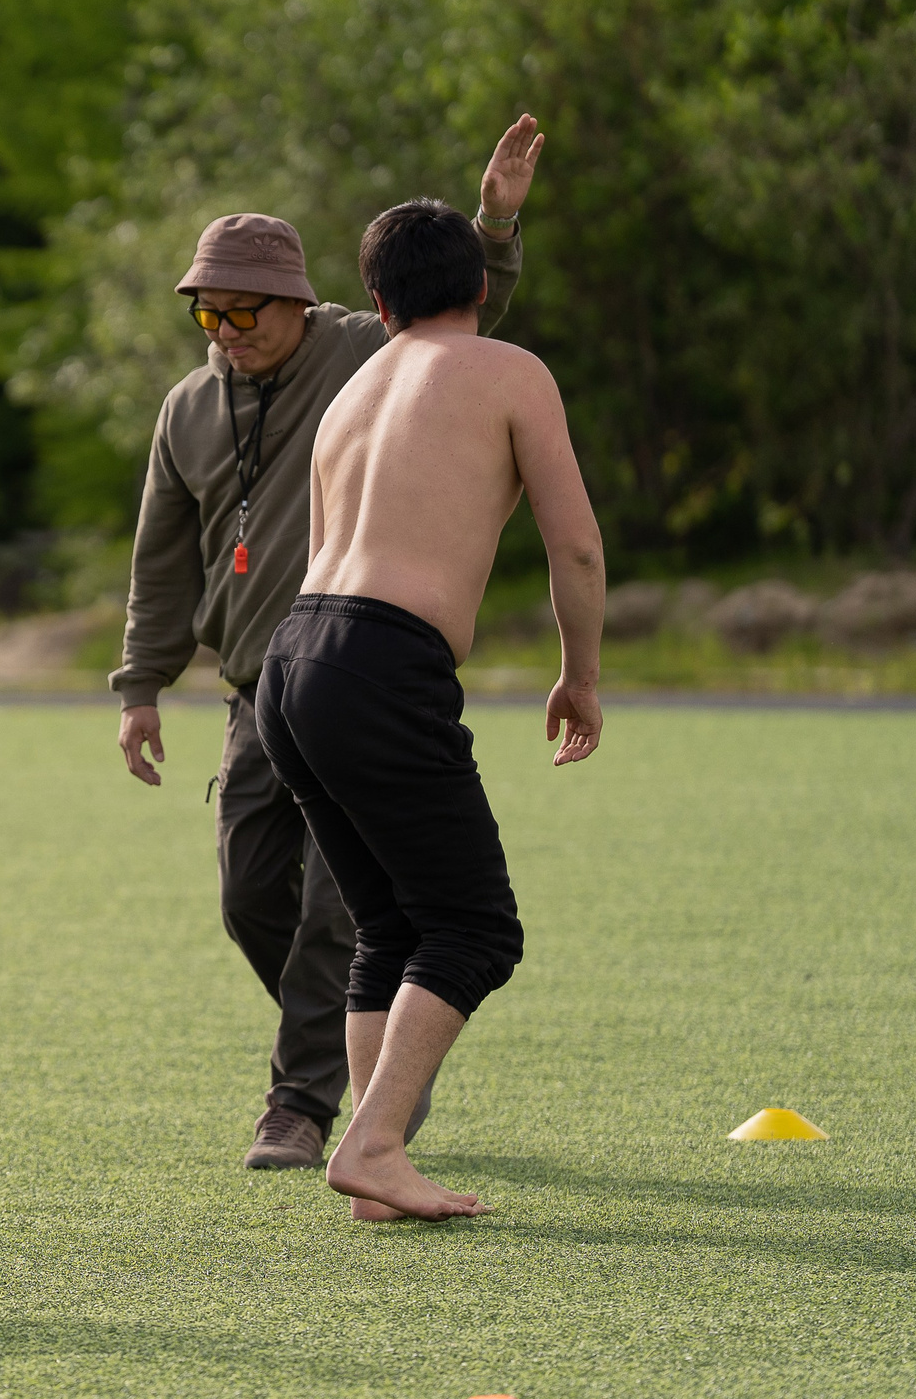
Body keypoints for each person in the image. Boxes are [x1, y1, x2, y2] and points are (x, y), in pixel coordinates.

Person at [114, 117, 545, 1169]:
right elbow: (161, 558)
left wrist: (492, 220)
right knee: (250, 896)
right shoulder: (185, 410)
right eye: (205, 312)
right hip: (256, 696)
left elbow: (460, 320)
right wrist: (139, 683)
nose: (222, 327)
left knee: (332, 915)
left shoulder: (363, 350)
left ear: (298, 302)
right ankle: (377, 1065)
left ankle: (302, 1106)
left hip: (356, 670)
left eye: (241, 308)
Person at [254, 196, 605, 1221]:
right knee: (475, 927)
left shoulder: (352, 388)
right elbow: (574, 544)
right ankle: (370, 1145)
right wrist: (579, 673)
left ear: (374, 301)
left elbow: (323, 549)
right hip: (378, 663)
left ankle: (378, 1169)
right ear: (484, 289)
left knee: (389, 925)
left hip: (292, 660)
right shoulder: (511, 371)